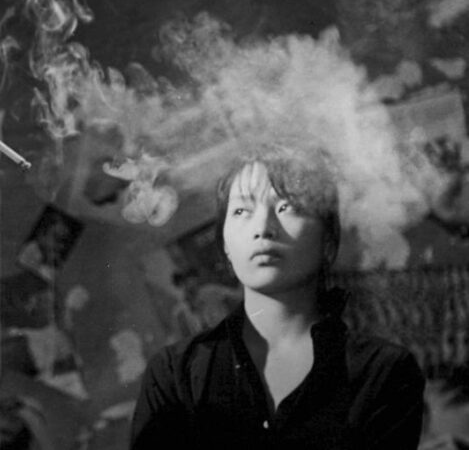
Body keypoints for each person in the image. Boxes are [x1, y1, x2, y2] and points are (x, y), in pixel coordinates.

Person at [130, 139, 426, 449]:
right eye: (242, 210)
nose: (263, 228)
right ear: (226, 247)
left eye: (288, 208)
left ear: (328, 242)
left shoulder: (382, 371)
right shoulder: (176, 374)